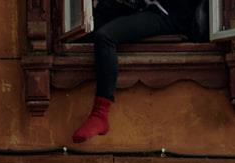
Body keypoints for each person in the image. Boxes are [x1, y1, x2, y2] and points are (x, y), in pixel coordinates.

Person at [71, 0, 206, 144]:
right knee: (79, 26)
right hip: (142, 7)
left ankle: (100, 115)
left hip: (167, 13)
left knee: (105, 37)